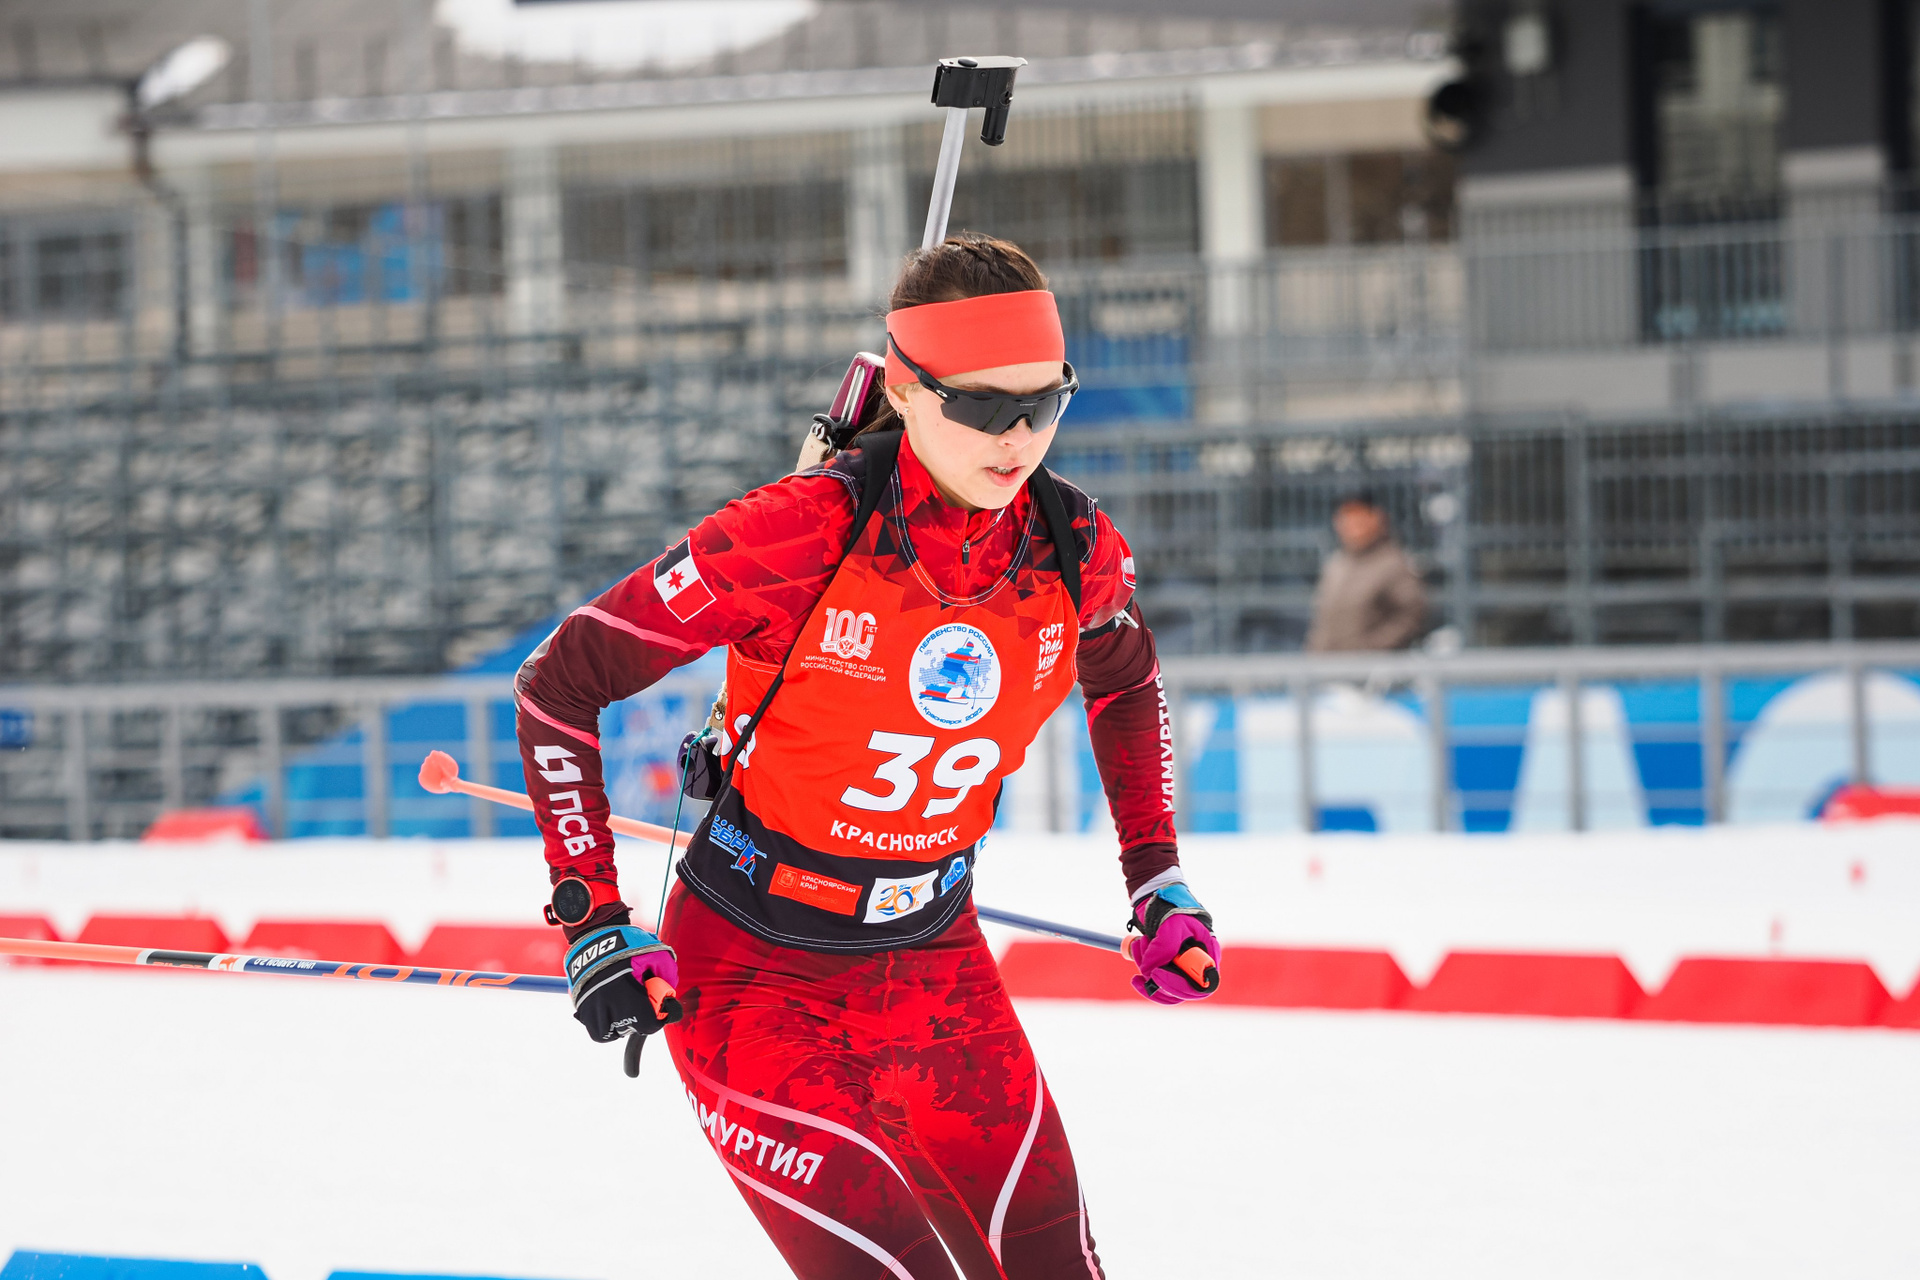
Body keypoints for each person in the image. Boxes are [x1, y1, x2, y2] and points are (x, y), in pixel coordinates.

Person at [513, 232, 1222, 1279]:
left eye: (1046, 402)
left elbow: (1127, 680)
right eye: (982, 405)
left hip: (938, 968)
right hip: (757, 981)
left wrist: (1156, 876)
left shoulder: (1074, 546)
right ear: (905, 387)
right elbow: (559, 682)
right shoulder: (798, 532)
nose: (1018, 437)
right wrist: (592, 920)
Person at [1305, 489, 1428, 652]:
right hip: (1325, 662)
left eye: (1359, 516)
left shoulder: (1393, 563)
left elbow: (1411, 615)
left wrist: (1372, 648)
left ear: (1377, 518)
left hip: (1368, 665)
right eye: (1346, 517)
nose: (1352, 524)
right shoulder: (1337, 562)